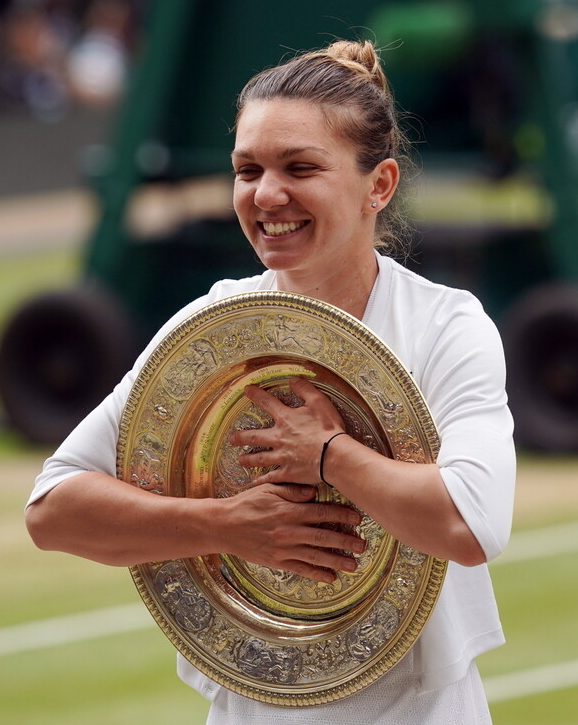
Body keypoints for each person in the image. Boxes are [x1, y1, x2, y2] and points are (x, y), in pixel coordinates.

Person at [26, 40, 515, 724]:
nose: (266, 194)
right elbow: (53, 509)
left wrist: (328, 453)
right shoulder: (207, 329)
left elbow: (471, 523)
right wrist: (227, 524)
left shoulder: (446, 328)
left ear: (380, 185)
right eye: (247, 168)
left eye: (300, 167)